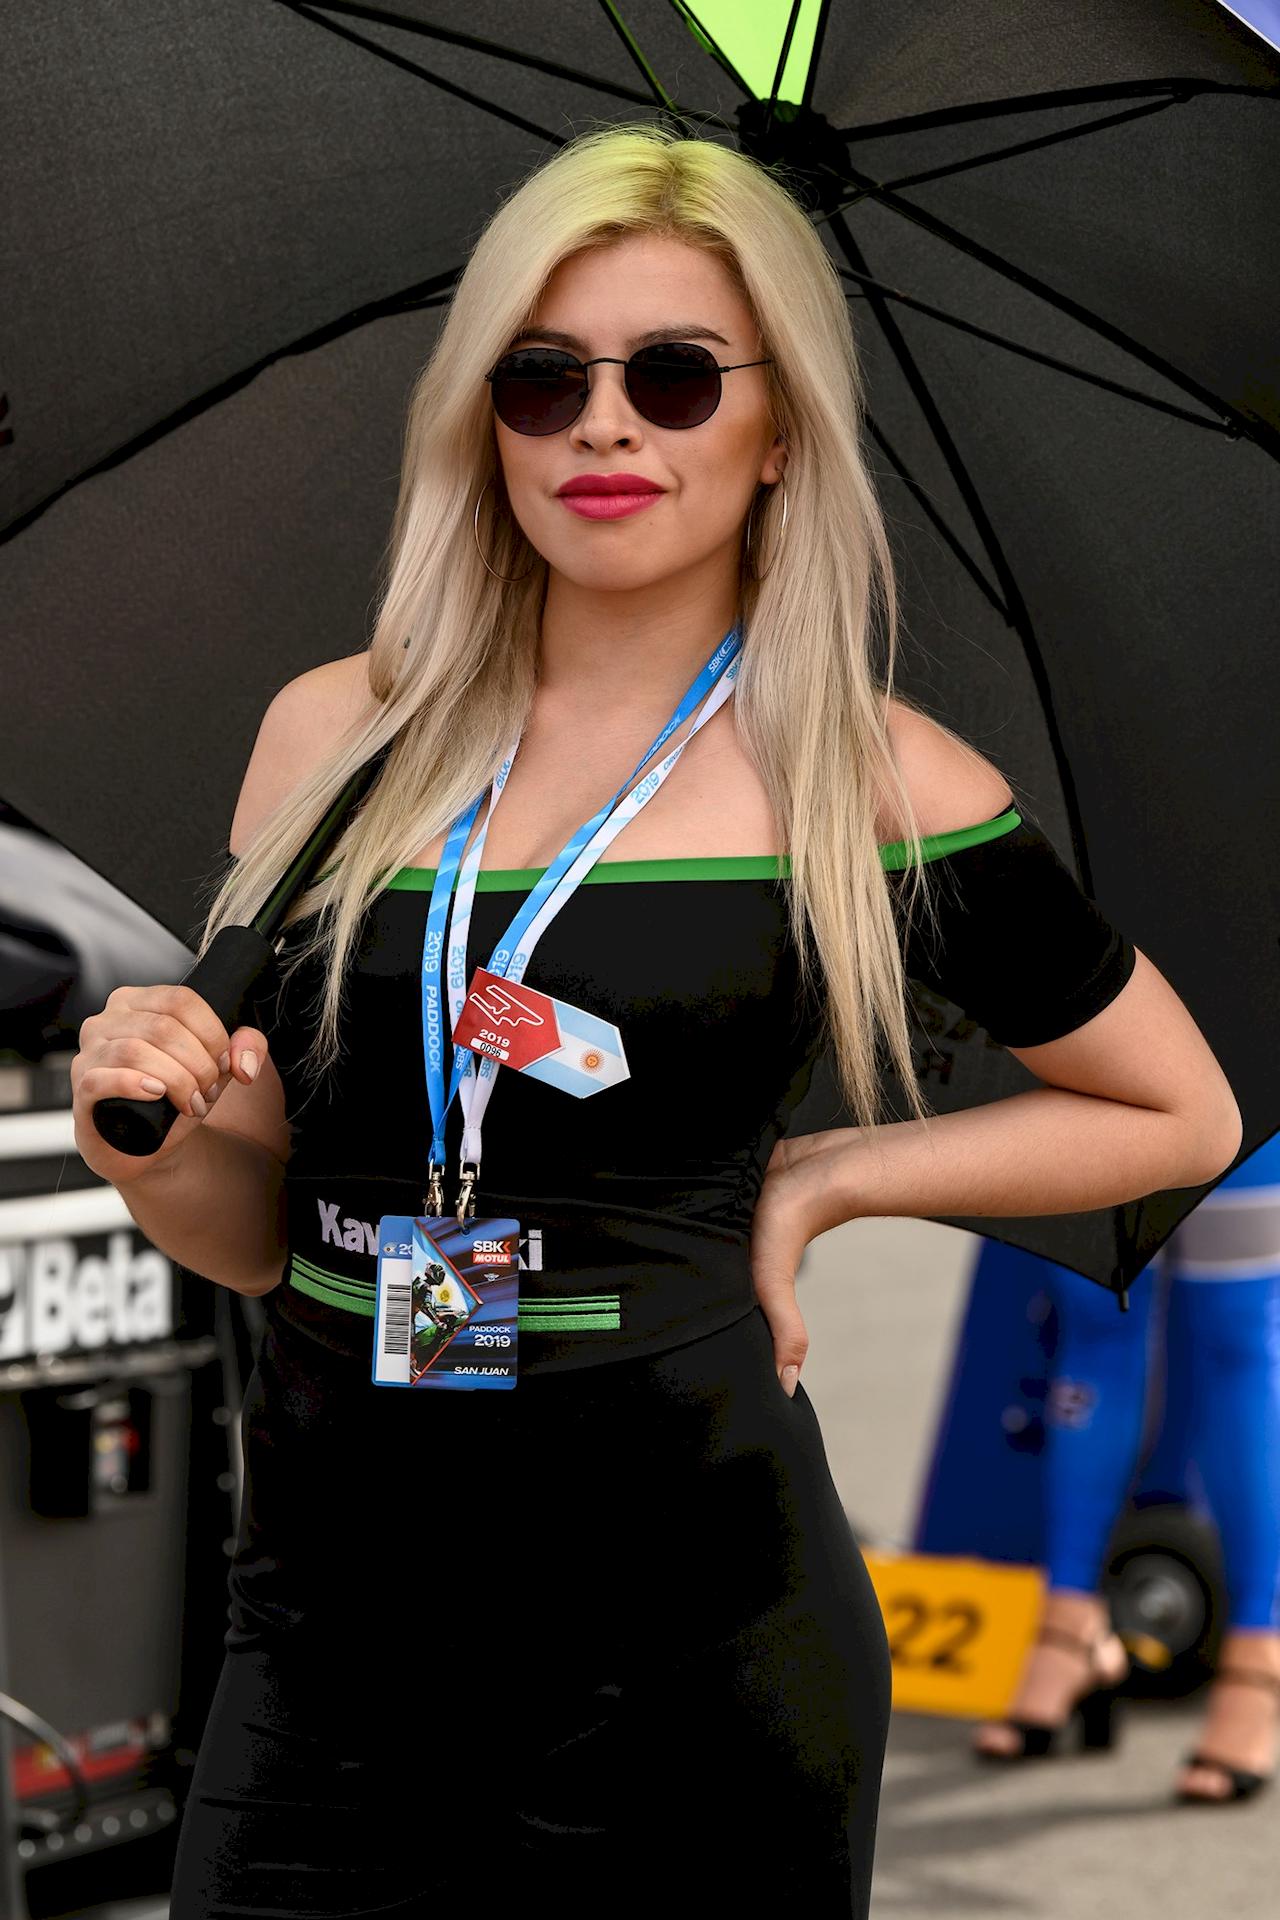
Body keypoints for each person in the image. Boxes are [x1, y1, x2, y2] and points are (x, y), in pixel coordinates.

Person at [71, 123, 1242, 1916]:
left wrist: (830, 1176)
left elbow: (1179, 1113)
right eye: (545, 380)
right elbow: (253, 1233)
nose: (605, 425)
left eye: (677, 376)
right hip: (322, 1653)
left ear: (779, 434)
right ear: (483, 418)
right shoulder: (332, 735)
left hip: (692, 1658)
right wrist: (140, 1139)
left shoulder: (870, 775)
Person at [971, 1132, 1280, 1802]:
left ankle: (1260, 1645)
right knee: (1096, 1313)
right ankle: (1070, 1624)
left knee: (1238, 1332)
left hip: (1254, 1057)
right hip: (1098, 1051)